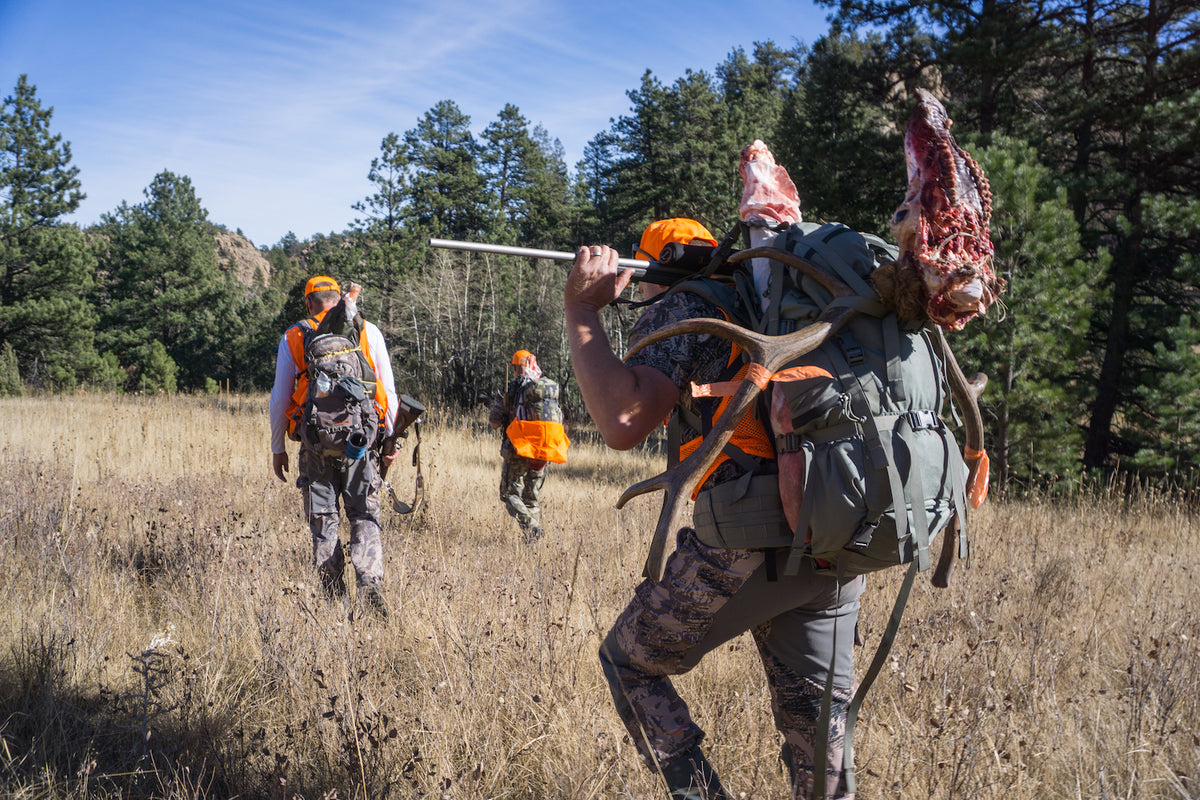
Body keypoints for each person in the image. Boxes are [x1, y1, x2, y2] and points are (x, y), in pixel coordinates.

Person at [564, 246, 864, 799]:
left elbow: (622, 420)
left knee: (627, 659)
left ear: (652, 275)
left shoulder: (686, 306)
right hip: (837, 530)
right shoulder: (791, 305)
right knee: (818, 725)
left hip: (747, 540)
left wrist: (582, 310)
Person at [270, 275, 399, 617]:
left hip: (315, 445)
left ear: (309, 303)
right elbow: (388, 390)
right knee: (364, 515)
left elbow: (280, 397)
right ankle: (370, 583)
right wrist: (389, 440)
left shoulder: (295, 335)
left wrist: (277, 446)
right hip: (361, 443)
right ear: (338, 300)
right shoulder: (366, 331)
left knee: (323, 519)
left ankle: (334, 597)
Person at [488, 350, 554, 542]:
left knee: (509, 495)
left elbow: (494, 423)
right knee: (531, 498)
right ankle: (532, 542)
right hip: (542, 450)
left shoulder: (511, 389)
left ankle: (532, 528)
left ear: (516, 367)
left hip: (517, 449)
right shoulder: (545, 389)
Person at [634, 218, 719, 301]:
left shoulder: (661, 313)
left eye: (642, 291)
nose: (643, 298)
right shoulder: (728, 307)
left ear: (659, 279)